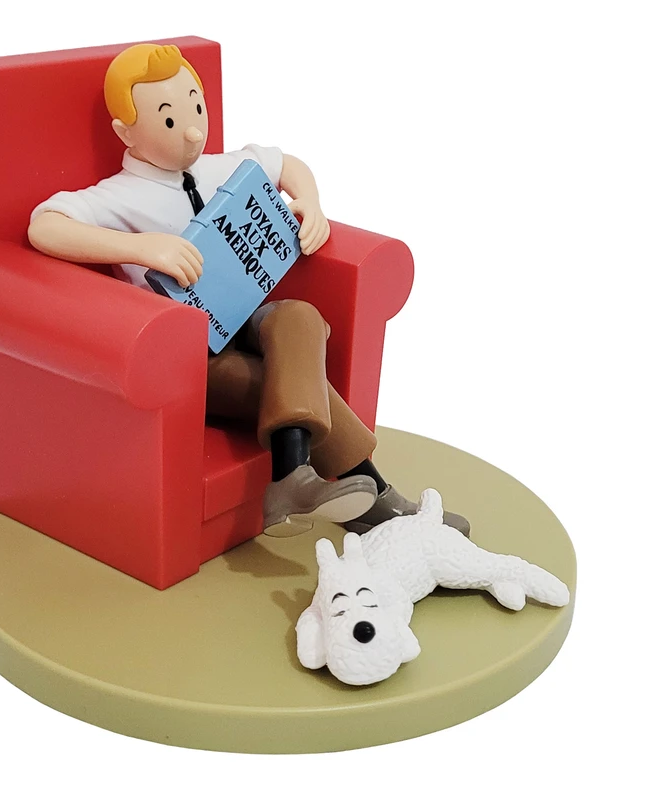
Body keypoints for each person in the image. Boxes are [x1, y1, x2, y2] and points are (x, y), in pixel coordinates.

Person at [28, 43, 469, 537]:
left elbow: (286, 164)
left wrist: (311, 202)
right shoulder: (118, 197)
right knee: (283, 380)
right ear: (125, 132)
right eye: (170, 120)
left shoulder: (222, 168)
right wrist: (139, 247)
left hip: (245, 318)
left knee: (300, 315)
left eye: (197, 108)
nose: (193, 131)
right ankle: (369, 498)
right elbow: (45, 226)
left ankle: (294, 480)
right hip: (191, 355)